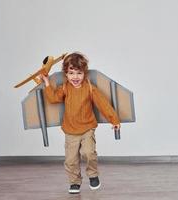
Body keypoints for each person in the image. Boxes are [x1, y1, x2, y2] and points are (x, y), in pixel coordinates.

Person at [39, 52, 121, 194]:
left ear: (84, 73)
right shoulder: (65, 88)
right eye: (71, 73)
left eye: (79, 73)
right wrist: (46, 82)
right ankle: (74, 182)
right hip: (70, 131)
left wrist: (114, 120)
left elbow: (103, 104)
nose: (75, 77)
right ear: (66, 74)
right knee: (71, 160)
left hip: (87, 128)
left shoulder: (89, 87)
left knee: (88, 153)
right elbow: (53, 98)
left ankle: (93, 175)